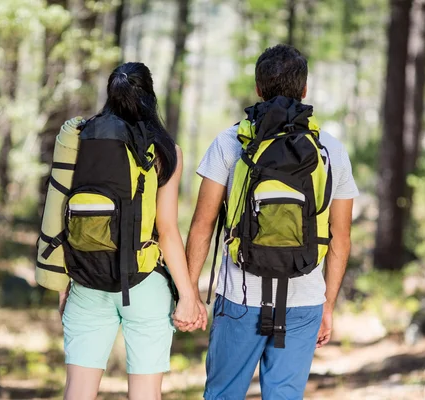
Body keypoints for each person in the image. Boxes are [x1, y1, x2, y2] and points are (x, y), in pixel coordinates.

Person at [182, 45, 359, 399]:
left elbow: (202, 225)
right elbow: (340, 239)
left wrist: (190, 295)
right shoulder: (331, 150)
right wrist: (328, 305)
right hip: (305, 299)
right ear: (305, 89)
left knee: (222, 394)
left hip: (238, 297)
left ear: (258, 89)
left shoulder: (231, 142)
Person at [58, 62, 206, 400]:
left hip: (86, 278)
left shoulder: (82, 139)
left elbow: (62, 216)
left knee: (77, 394)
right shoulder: (165, 149)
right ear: (150, 97)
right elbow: (167, 230)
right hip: (144, 281)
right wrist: (187, 296)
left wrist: (61, 286)